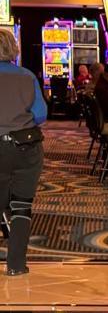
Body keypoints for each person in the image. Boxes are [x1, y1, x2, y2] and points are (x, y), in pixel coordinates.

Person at [0, 27, 46, 277]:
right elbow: (41, 115)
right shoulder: (27, 76)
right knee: (21, 206)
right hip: (24, 147)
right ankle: (16, 265)